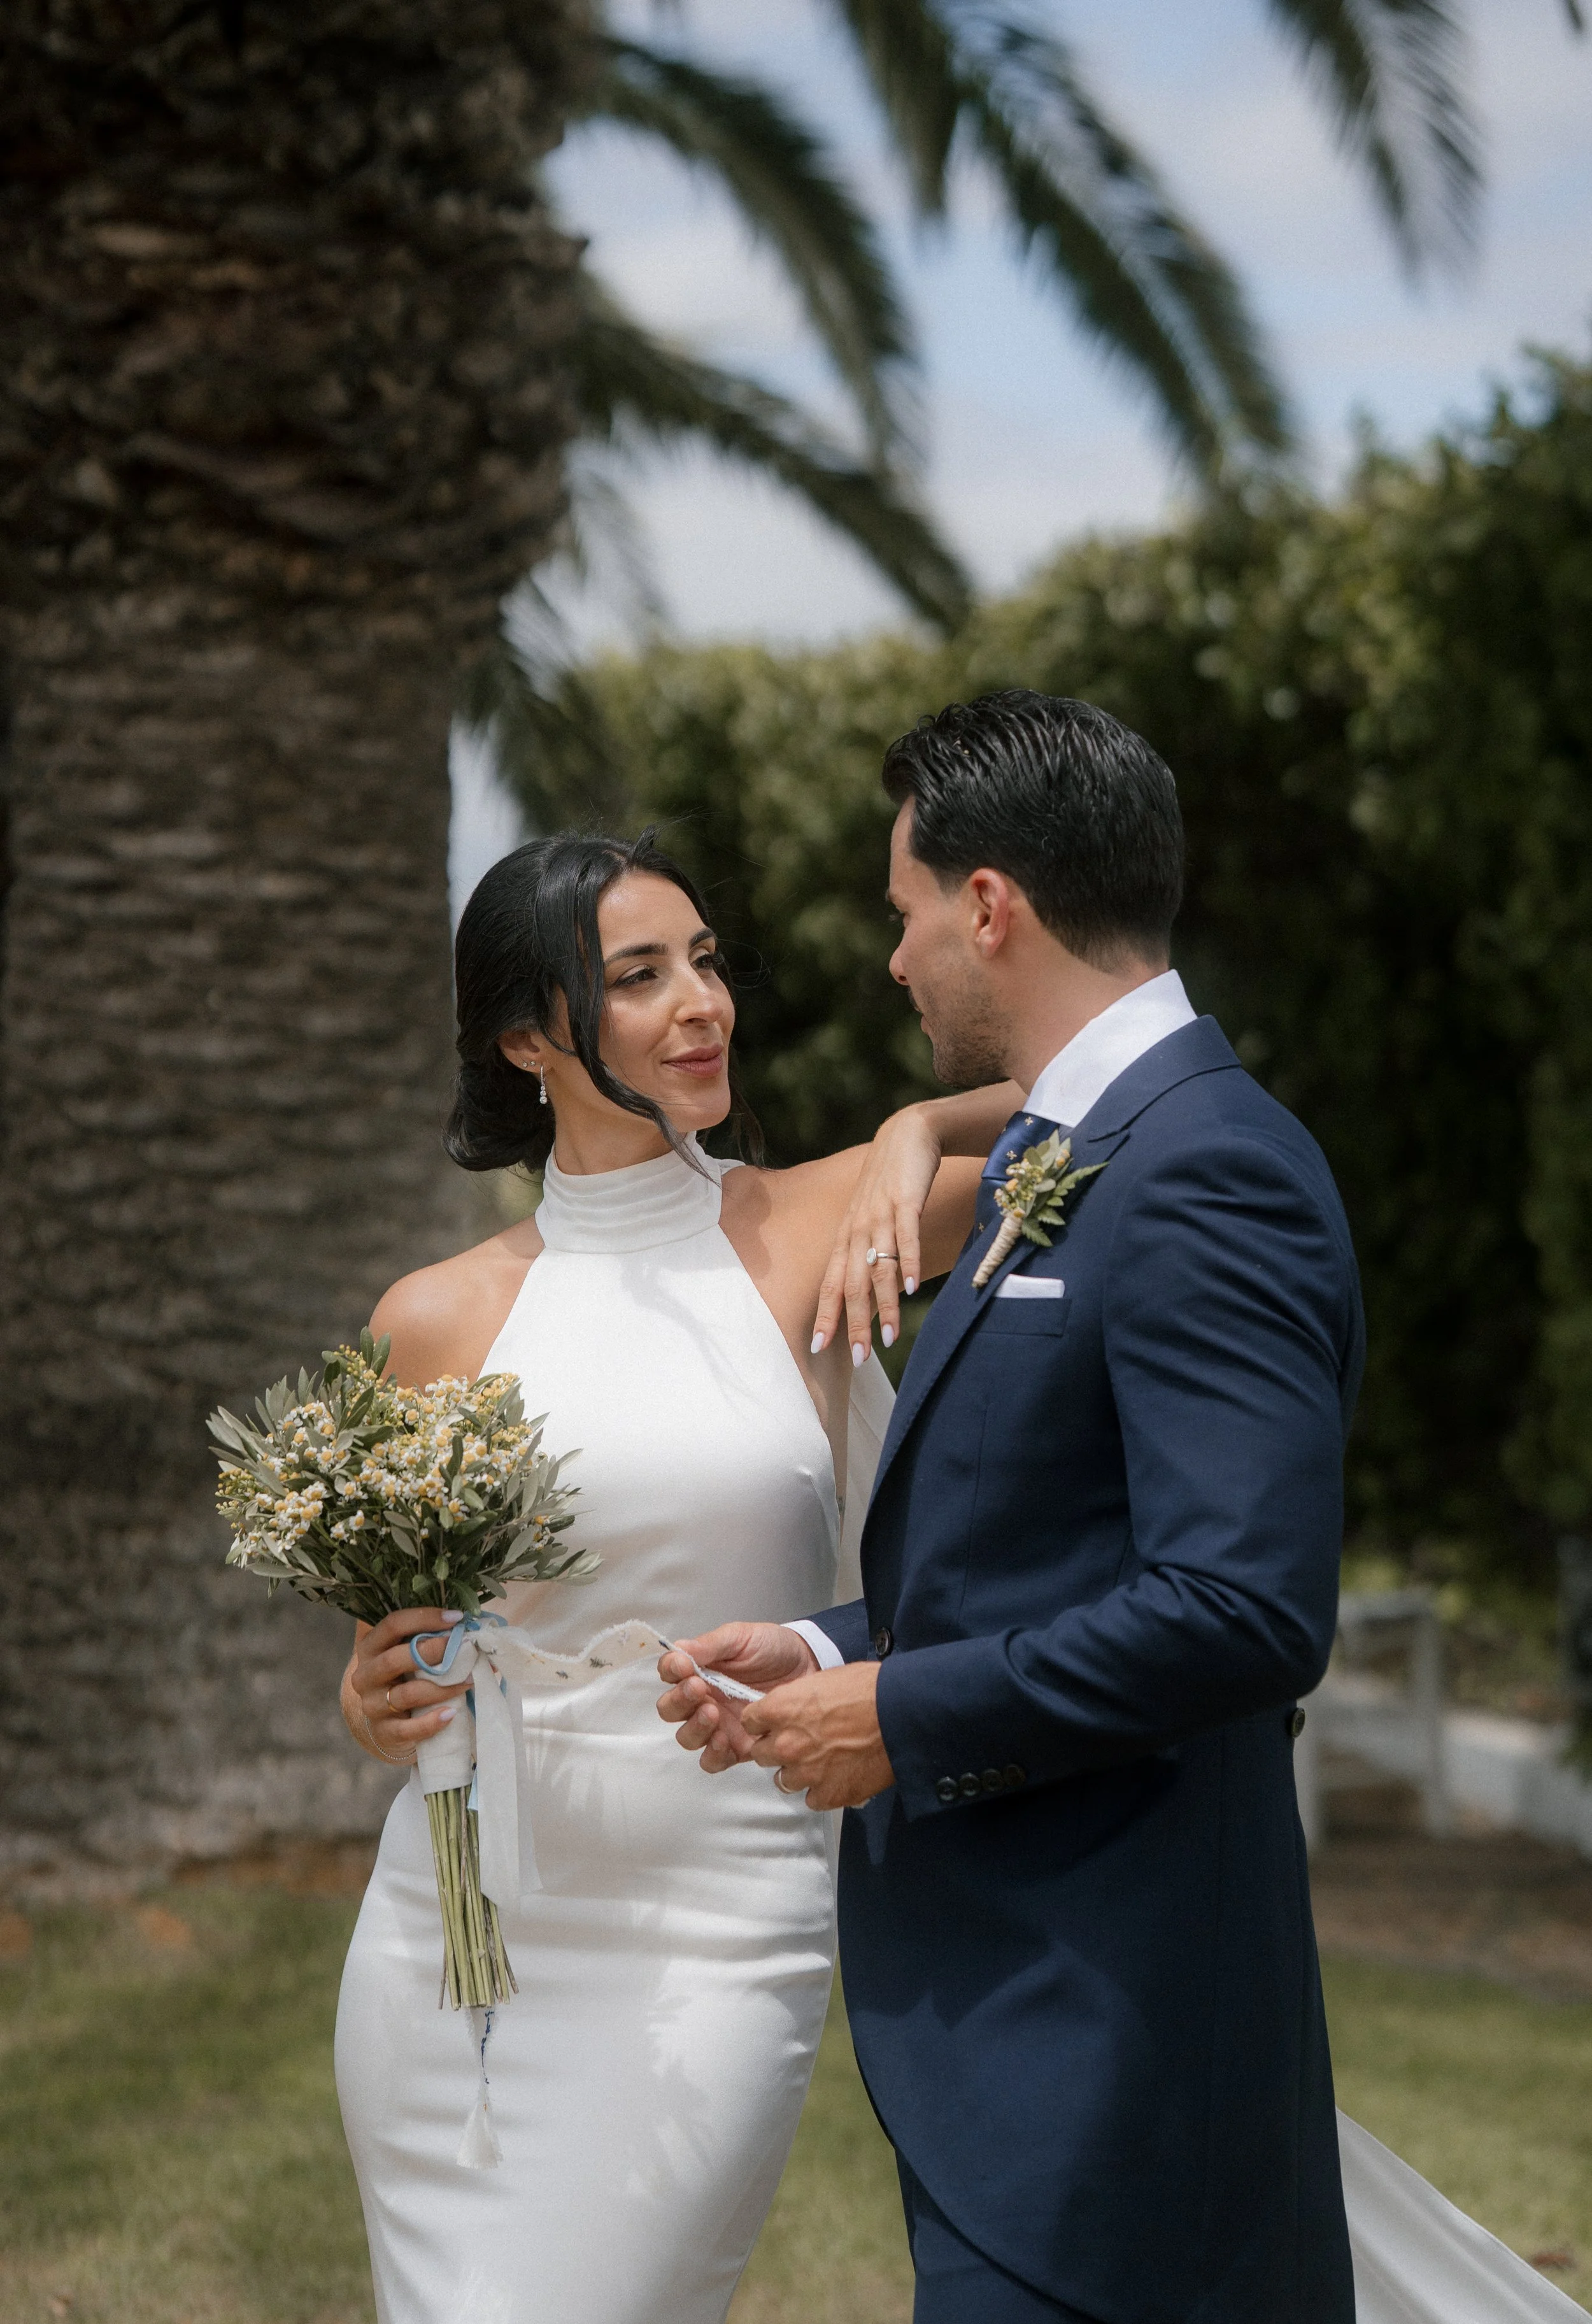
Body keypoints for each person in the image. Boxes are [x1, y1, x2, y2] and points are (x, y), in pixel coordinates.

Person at [660, 691, 1590, 2324]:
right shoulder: (1078, 1147)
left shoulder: (1205, 1167)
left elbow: (1242, 1609)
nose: (894, 960)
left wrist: (901, 1714)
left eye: (903, 912)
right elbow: (1051, 1550)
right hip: (1028, 2050)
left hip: (1120, 2060)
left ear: (989, 906)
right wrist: (825, 1651)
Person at [332, 829, 1009, 2324]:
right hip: (456, 1938)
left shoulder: (822, 1221)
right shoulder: (430, 1321)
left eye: (702, 961)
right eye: (637, 976)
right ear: (526, 1039)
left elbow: (1111, 1102)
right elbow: (398, 1652)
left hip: (721, 1923)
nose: (700, 1003)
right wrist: (369, 1696)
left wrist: (914, 1129)